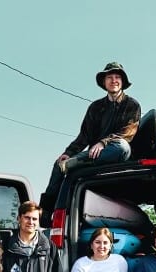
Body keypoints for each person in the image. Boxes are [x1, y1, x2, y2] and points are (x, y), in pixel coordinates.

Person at [41, 62, 141, 210]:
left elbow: (127, 133)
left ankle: (78, 162)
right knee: (60, 165)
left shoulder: (132, 105)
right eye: (110, 77)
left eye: (117, 77)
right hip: (95, 158)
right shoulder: (95, 107)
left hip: (114, 154)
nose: (114, 80)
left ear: (123, 82)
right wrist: (68, 153)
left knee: (123, 147)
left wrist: (103, 143)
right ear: (104, 82)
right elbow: (84, 136)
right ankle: (46, 211)